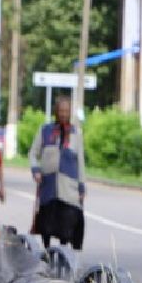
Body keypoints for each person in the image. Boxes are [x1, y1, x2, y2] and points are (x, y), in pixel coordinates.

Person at [28, 95, 85, 250]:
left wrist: (82, 187)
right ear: (56, 111)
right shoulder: (45, 130)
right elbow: (33, 153)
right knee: (47, 223)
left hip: (69, 188)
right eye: (61, 111)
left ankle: (64, 252)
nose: (63, 114)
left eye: (66, 111)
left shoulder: (76, 133)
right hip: (49, 186)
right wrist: (36, 170)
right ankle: (46, 251)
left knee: (67, 224)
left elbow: (80, 161)